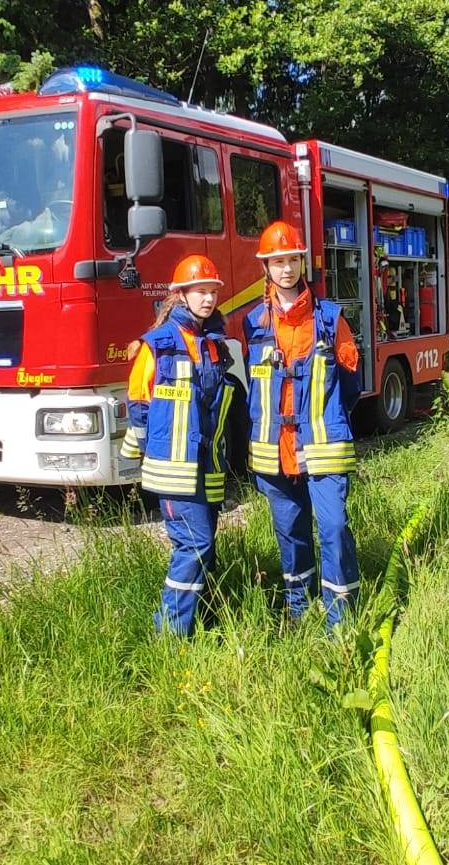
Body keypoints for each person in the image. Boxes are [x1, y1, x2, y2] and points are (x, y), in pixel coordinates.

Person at [239, 221, 363, 630]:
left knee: (333, 526)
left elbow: (350, 386)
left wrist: (323, 421)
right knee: (290, 534)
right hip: (274, 452)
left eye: (292, 259)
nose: (286, 269)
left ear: (302, 263)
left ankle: (339, 621)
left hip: (323, 446)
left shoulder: (329, 319)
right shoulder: (254, 323)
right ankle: (299, 609)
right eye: (278, 261)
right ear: (267, 268)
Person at [122, 254, 237, 636]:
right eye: (200, 291)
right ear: (180, 295)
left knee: (206, 548)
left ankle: (203, 621)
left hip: (208, 465)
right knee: (194, 546)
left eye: (212, 291)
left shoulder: (215, 344)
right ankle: (169, 635)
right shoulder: (156, 346)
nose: (208, 298)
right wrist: (139, 456)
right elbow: (139, 407)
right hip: (174, 469)